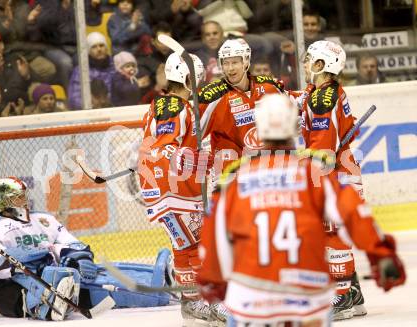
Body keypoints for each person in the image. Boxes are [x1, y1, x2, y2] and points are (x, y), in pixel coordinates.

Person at [197, 93, 406, 327]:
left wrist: (212, 280)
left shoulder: (236, 180)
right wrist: (381, 254)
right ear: (294, 128)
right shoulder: (313, 174)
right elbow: (353, 214)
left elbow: (215, 237)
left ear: (259, 130)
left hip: (252, 301)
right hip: (308, 300)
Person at [0, 177, 173, 320]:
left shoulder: (43, 219)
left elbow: (68, 241)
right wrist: (39, 258)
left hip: (60, 273)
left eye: (24, 196)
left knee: (100, 272)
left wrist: (80, 257)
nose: (24, 202)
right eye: (18, 198)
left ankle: (155, 276)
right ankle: (155, 294)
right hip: (21, 282)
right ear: (5, 201)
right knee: (100, 289)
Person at [137, 51, 213, 326]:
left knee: (184, 245)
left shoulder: (170, 104)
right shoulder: (172, 106)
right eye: (195, 77)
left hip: (165, 187)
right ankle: (200, 302)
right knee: (199, 243)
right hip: (172, 188)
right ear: (184, 76)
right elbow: (165, 147)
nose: (199, 82)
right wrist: (197, 158)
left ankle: (192, 304)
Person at [298, 40, 367, 320]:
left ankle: (342, 296)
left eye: (309, 60)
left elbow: (323, 148)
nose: (305, 64)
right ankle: (354, 294)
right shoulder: (324, 92)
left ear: (322, 65)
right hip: (344, 171)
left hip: (333, 174)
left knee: (332, 234)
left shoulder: (322, 98)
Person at [198, 38, 284, 177]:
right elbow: (192, 130)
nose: (230, 68)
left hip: (264, 168)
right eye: (226, 63)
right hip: (230, 172)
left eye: (235, 62)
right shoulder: (212, 96)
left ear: (246, 62)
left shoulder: (268, 87)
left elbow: (296, 105)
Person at [68, 32, 115, 110]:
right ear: (88, 51)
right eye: (94, 47)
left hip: (113, 109)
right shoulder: (81, 70)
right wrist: (92, 104)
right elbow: (74, 99)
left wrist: (107, 101)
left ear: (106, 48)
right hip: (90, 111)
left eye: (101, 45)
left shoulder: (115, 65)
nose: (99, 49)